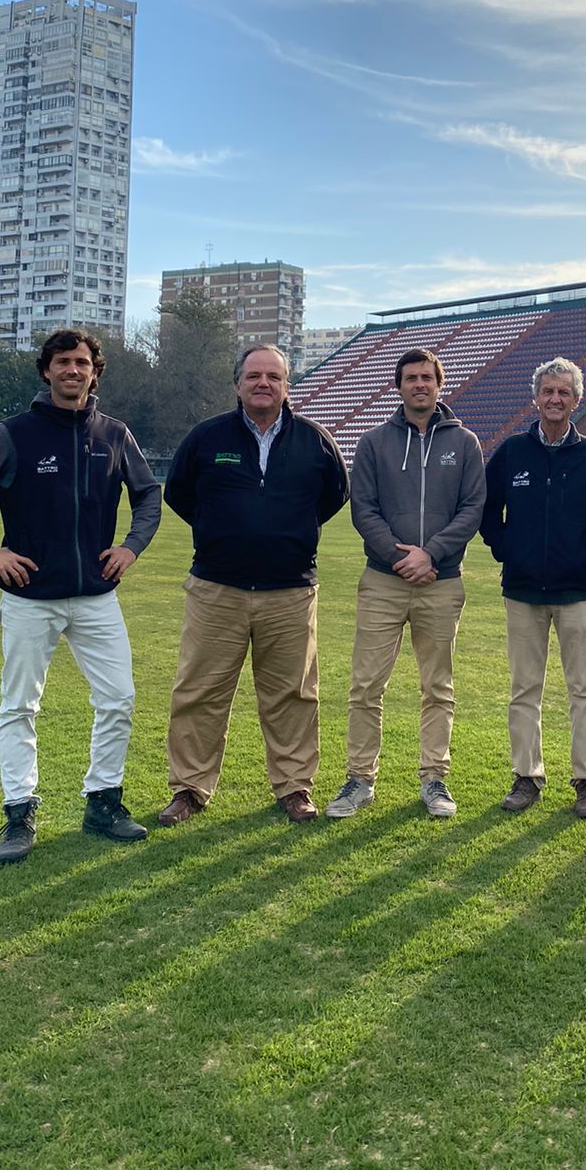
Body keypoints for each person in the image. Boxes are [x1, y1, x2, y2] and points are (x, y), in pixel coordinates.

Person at [0, 328, 160, 864]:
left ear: (94, 371)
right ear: (47, 370)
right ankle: (19, 812)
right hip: (29, 597)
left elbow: (148, 495)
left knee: (119, 699)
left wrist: (130, 547)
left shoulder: (114, 434)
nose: (72, 371)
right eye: (63, 362)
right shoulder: (13, 434)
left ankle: (102, 802)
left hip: (96, 597)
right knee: (20, 706)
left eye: (82, 363)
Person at [159, 345, 348, 825]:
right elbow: (179, 493)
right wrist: (224, 532)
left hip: (289, 590)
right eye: (253, 376)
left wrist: (286, 534)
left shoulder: (314, 440)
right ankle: (190, 789)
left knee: (294, 694)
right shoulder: (206, 438)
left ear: (287, 385)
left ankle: (294, 787)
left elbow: (333, 496)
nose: (263, 384)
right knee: (199, 691)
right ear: (238, 383)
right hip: (216, 588)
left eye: (273, 376)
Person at [325, 348, 485, 820]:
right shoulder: (375, 442)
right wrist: (402, 558)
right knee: (365, 685)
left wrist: (430, 554)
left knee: (438, 686)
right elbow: (364, 508)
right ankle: (359, 779)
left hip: (441, 581)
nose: (420, 385)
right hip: (383, 580)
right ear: (399, 386)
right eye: (411, 378)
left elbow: (472, 508)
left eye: (427, 378)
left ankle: (435, 778)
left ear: (440, 385)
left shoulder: (466, 442)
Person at [480, 357, 586, 819]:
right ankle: (527, 776)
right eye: (548, 391)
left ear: (577, 400)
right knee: (525, 687)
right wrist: (508, 550)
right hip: (523, 590)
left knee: (584, 689)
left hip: (578, 592)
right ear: (536, 397)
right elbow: (488, 512)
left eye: (564, 392)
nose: (555, 399)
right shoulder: (511, 453)